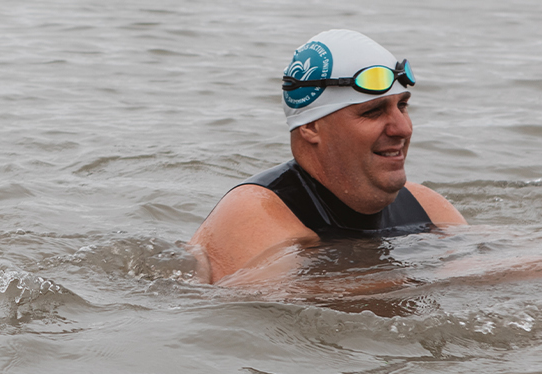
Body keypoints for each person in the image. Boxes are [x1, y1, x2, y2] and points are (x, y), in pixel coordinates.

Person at [190, 29, 466, 285]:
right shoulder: (254, 213)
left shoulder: (428, 209)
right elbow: (268, 309)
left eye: (402, 106)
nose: (403, 128)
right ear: (311, 126)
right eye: (372, 112)